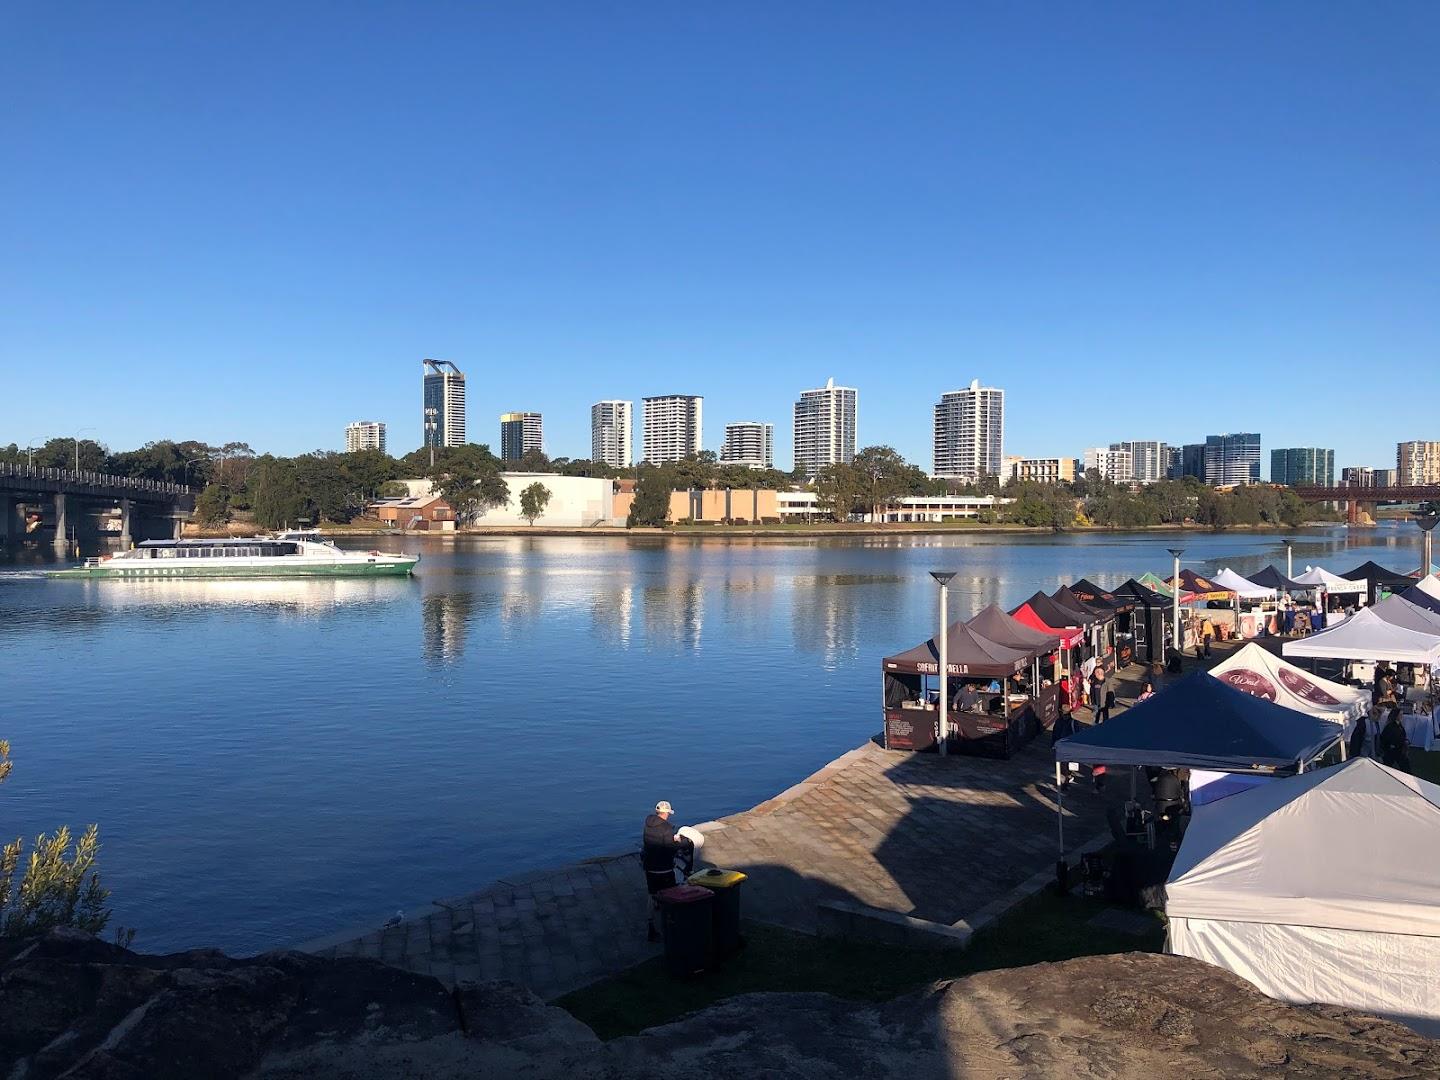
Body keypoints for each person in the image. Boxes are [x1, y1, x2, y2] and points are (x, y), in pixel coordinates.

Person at [642, 800, 682, 940]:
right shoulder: (666, 828)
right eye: (668, 814)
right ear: (665, 813)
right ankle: (671, 923)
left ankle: (650, 925)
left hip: (649, 866)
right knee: (670, 893)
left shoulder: (648, 823)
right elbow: (670, 849)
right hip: (663, 868)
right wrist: (678, 841)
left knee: (651, 894)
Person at [1378, 707, 1410, 772]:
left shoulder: (1400, 726)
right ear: (1396, 715)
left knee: (1405, 766)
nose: (1402, 717)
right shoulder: (1390, 726)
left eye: (1402, 715)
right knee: (1387, 766)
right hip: (1391, 750)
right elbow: (1386, 738)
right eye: (1400, 715)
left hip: (1399, 749)